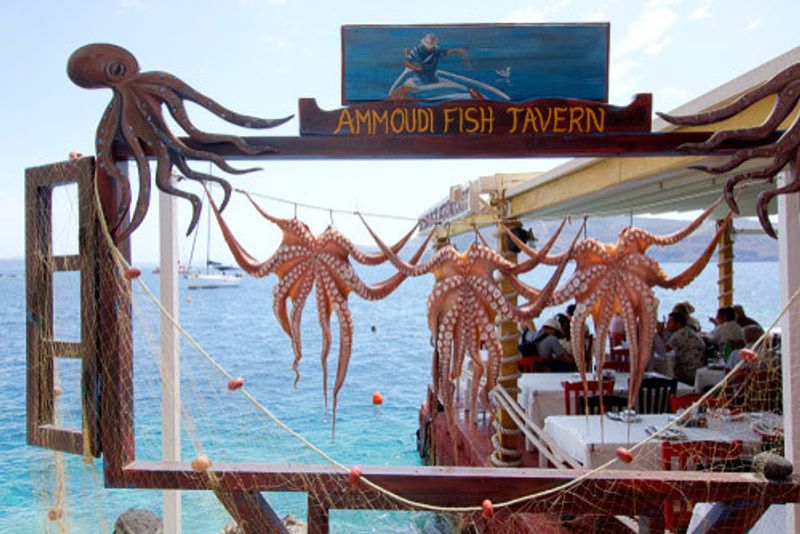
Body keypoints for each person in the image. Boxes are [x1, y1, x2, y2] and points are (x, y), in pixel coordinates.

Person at [664, 311, 706, 385]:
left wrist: (660, 332)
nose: (667, 324)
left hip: (688, 372)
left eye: (670, 322)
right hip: (699, 369)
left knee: (664, 369)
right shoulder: (688, 330)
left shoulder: (679, 335)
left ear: (678, 323)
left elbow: (664, 350)